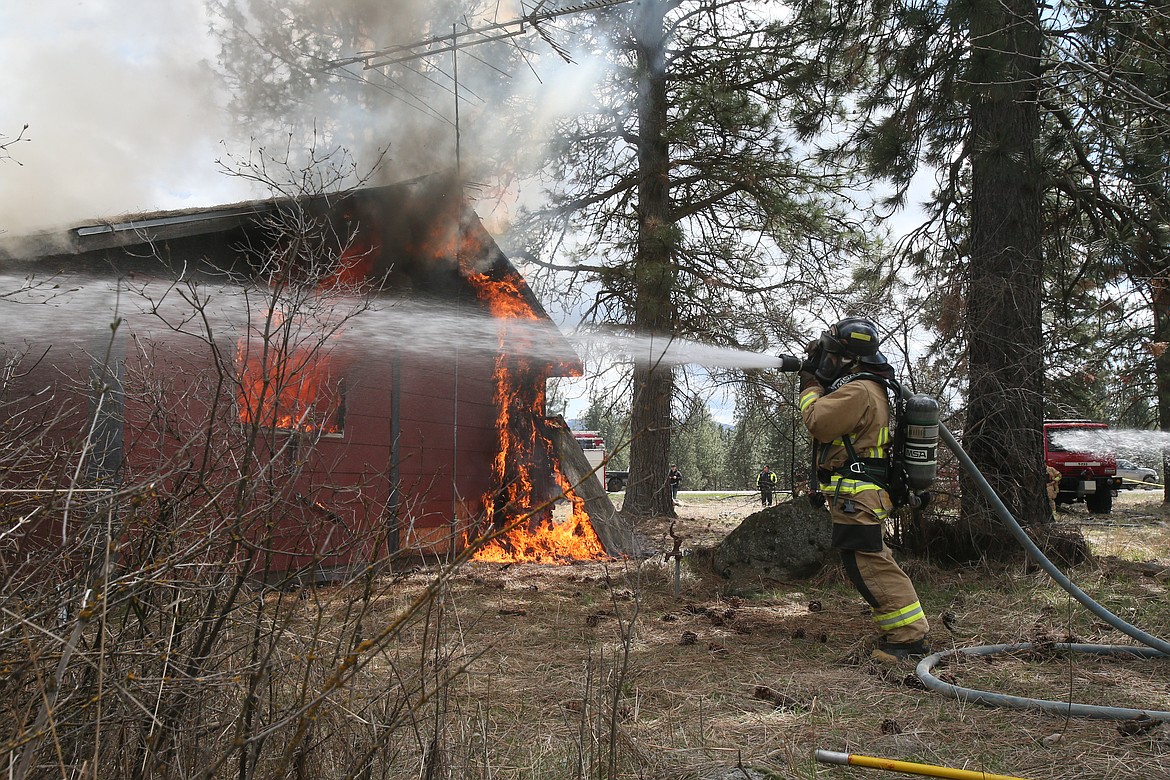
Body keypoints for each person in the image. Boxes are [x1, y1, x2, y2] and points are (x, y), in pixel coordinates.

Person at [798, 316, 930, 663]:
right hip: (860, 492)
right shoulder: (866, 386)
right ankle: (904, 633)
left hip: (859, 493)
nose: (827, 362)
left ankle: (908, 639)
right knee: (867, 560)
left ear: (848, 357)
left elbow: (819, 422)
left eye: (830, 355)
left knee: (868, 561)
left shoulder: (860, 389)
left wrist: (810, 385)